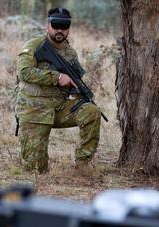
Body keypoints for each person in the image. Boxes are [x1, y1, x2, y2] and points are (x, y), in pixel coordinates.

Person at [14, 7, 101, 175]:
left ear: (68, 29)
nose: (60, 30)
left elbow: (72, 81)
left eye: (64, 26)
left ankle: (83, 164)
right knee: (36, 170)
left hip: (59, 108)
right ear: (48, 26)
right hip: (34, 109)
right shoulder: (34, 46)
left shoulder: (70, 52)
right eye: (56, 25)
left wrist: (78, 91)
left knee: (91, 111)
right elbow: (23, 73)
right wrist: (57, 77)